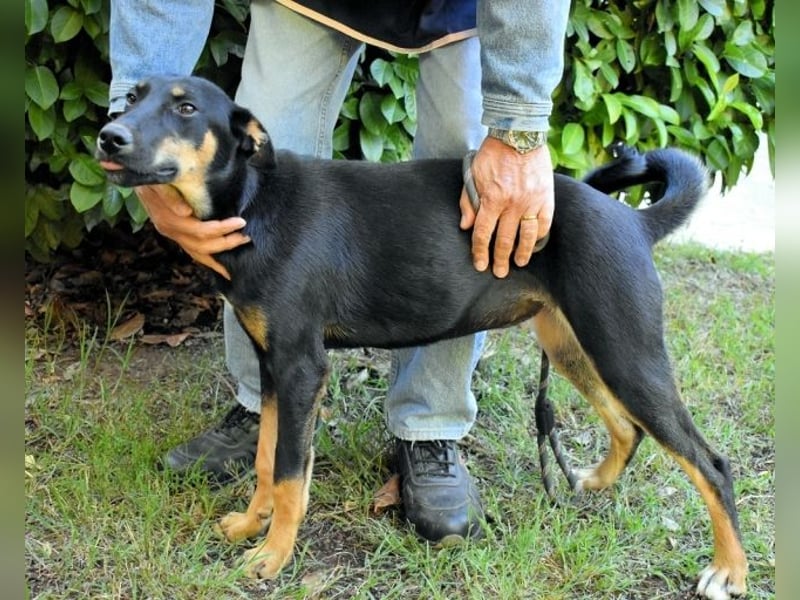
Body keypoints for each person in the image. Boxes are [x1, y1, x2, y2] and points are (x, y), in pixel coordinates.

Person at [108, 0, 569, 545]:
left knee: (463, 186)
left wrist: (517, 123)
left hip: (462, 7)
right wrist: (135, 138)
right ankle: (264, 405)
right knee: (262, 173)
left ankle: (429, 426)